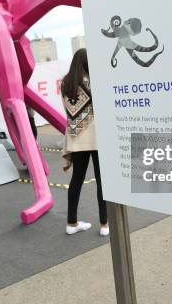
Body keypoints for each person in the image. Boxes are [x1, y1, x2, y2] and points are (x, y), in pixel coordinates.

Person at [60, 48, 108, 236]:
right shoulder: (94, 80)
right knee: (102, 182)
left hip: (76, 137)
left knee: (76, 180)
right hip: (96, 136)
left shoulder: (66, 83)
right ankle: (104, 224)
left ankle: (71, 223)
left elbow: (69, 111)